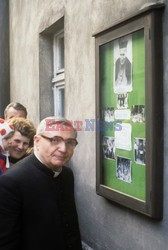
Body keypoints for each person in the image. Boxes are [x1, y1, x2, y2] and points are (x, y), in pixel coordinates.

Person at [0, 116, 82, 250]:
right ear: (37, 141)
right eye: (55, 140)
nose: (63, 148)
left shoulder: (67, 174)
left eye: (70, 142)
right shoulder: (11, 182)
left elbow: (71, 226)